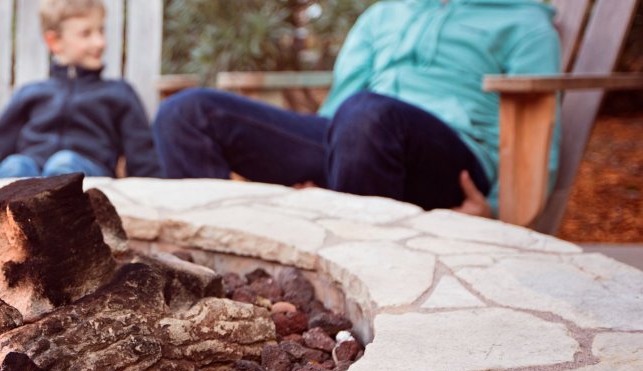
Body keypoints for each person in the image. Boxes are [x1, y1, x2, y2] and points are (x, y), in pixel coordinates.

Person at [153, 0, 562, 218]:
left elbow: (540, 134)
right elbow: (339, 105)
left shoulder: (524, 22)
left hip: (452, 160)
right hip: (357, 133)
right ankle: (216, 276)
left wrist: (498, 210)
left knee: (368, 115)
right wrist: (326, 163)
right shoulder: (383, 15)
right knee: (185, 113)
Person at [0, 0, 160, 179]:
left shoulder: (119, 93)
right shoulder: (29, 94)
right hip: (30, 181)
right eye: (86, 33)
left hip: (88, 179)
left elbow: (144, 162)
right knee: (15, 165)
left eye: (101, 31)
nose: (100, 42)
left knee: (63, 163)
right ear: (54, 41)